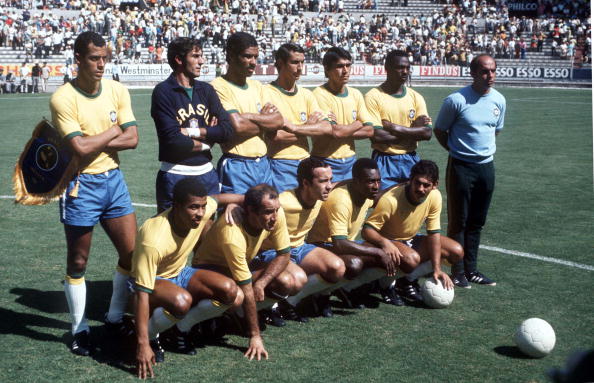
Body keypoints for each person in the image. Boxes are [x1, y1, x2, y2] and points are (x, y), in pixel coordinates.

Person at [49, 31, 139, 356]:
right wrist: (115, 130)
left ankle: (114, 317)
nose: (101, 64)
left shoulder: (116, 89)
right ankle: (79, 329)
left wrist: (101, 137)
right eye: (93, 58)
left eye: (104, 58)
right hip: (80, 186)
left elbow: (133, 139)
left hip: (113, 180)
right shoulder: (63, 97)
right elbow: (79, 147)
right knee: (78, 260)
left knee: (131, 255)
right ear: (78, 59)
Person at [133, 178, 244, 378]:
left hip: (180, 274)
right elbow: (141, 293)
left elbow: (217, 199)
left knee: (232, 293)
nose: (200, 214)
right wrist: (142, 344)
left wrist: (239, 202)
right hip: (148, 282)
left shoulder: (202, 210)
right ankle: (149, 336)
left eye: (202, 207)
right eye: (193, 208)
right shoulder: (154, 238)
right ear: (175, 206)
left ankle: (180, 331)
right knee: (181, 301)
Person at [192, 183, 299, 361]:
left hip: (239, 266)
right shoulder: (232, 235)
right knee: (238, 296)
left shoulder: (275, 215)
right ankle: (187, 325)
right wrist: (254, 336)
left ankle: (239, 316)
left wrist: (262, 282)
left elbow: (284, 254)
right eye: (267, 212)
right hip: (209, 269)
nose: (274, 217)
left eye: (276, 210)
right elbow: (247, 287)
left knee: (289, 281)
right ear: (250, 211)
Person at [434, 54, 506, 288]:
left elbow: (495, 131)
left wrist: (480, 153)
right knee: (459, 220)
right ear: (473, 73)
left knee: (477, 220)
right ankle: (457, 270)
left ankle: (472, 269)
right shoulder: (456, 100)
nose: (490, 76)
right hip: (460, 167)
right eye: (485, 72)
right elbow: (440, 130)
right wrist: (457, 150)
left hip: (486, 167)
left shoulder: (499, 100)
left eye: (493, 71)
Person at [362, 160, 464, 303]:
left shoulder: (435, 196)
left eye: (426, 185)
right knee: (411, 259)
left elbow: (433, 234)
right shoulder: (391, 199)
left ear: (435, 185)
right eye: (417, 183)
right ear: (410, 180)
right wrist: (385, 243)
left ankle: (406, 281)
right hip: (388, 242)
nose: (421, 189)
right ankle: (384, 285)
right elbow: (367, 230)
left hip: (409, 239)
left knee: (456, 251)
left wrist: (437, 269)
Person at [151, 37, 233, 212]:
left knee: (207, 234)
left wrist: (189, 132)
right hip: (175, 174)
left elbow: (227, 130)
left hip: (207, 174)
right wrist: (209, 140)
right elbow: (173, 141)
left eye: (201, 56)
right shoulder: (163, 91)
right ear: (179, 60)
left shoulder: (206, 90)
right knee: (173, 235)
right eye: (195, 56)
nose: (202, 61)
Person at [258, 158, 345, 323]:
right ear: (306, 183)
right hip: (273, 252)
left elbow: (340, 183)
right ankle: (267, 307)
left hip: (300, 247)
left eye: (330, 180)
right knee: (298, 278)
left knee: (338, 268)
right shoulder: (283, 202)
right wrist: (233, 206)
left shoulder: (320, 193)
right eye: (323, 181)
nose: (329, 186)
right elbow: (253, 203)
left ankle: (290, 302)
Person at [308, 158, 402, 306]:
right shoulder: (340, 200)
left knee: (395, 256)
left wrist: (405, 185)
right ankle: (318, 293)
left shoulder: (365, 194)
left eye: (378, 181)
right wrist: (377, 252)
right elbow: (339, 244)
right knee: (354, 263)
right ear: (356, 181)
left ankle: (347, 288)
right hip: (322, 245)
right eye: (371, 181)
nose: (376, 186)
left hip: (346, 244)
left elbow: (381, 195)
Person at [211, 32, 284, 194]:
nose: (253, 63)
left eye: (256, 57)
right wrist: (265, 121)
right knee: (235, 216)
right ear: (230, 56)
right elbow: (237, 126)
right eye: (247, 57)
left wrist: (248, 116)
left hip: (264, 164)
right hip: (237, 165)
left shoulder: (257, 86)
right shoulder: (218, 86)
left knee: (266, 215)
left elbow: (278, 121)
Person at [264, 43, 332, 193]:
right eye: (295, 62)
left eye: (302, 62)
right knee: (285, 211)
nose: (300, 67)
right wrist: (308, 126)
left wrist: (295, 128)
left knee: (307, 213)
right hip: (279, 163)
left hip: (306, 163)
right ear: (281, 63)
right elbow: (275, 136)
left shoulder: (306, 94)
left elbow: (326, 127)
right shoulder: (266, 93)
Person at [365, 50, 432, 189]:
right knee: (383, 204)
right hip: (384, 159)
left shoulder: (416, 97)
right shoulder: (373, 96)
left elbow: (426, 134)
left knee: (412, 205)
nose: (405, 71)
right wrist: (413, 132)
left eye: (407, 67)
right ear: (387, 69)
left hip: (411, 158)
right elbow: (377, 136)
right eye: (400, 67)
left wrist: (394, 127)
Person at [311, 47, 374, 182]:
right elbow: (335, 132)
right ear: (327, 69)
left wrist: (342, 129)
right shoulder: (319, 94)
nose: (345, 70)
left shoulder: (355, 94)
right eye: (339, 66)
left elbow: (369, 130)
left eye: (348, 65)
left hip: (350, 162)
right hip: (325, 161)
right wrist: (357, 123)